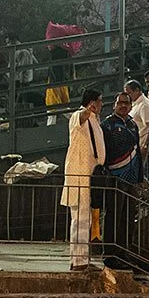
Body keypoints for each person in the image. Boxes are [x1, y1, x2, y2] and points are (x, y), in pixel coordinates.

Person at [62, 89, 106, 270]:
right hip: (79, 176)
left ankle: (80, 260)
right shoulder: (78, 116)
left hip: (89, 174)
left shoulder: (95, 120)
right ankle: (79, 262)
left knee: (84, 219)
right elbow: (80, 118)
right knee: (80, 219)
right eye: (100, 101)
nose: (102, 105)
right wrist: (89, 110)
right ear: (92, 102)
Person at [101, 91, 144, 267]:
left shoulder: (133, 125)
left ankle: (123, 252)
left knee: (128, 218)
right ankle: (110, 253)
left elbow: (138, 152)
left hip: (132, 179)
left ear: (131, 106)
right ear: (114, 105)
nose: (124, 106)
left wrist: (140, 177)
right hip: (115, 178)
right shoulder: (108, 125)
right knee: (113, 216)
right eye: (120, 103)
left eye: (127, 103)